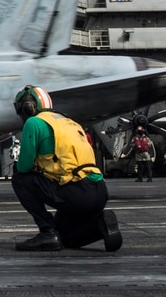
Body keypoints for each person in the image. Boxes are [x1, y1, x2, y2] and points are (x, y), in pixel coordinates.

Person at [10, 85, 121, 252]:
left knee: (19, 178)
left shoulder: (34, 122)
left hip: (76, 191)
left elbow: (24, 166)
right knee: (65, 239)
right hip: (98, 192)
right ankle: (101, 225)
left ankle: (47, 232)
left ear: (28, 107)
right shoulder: (68, 121)